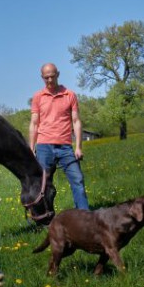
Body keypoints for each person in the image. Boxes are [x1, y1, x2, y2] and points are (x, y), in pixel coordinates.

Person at [29, 62, 89, 210]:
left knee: (78, 180)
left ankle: (85, 215)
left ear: (58, 74)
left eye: (52, 76)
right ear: (42, 77)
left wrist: (79, 147)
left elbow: (76, 121)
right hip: (44, 147)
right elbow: (34, 124)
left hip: (65, 147)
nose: (49, 80)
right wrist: (31, 148)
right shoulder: (38, 97)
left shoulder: (70, 95)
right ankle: (45, 218)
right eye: (46, 77)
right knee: (43, 185)